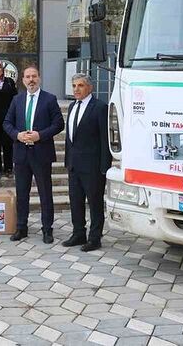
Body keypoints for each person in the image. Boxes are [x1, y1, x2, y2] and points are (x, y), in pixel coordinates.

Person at [3, 66, 64, 244]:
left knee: (45, 193)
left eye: (34, 76)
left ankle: (47, 229)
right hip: (21, 154)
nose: (31, 80)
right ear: (22, 80)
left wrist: (40, 135)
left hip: (41, 153)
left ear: (39, 78)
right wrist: (17, 135)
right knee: (22, 193)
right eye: (28, 77)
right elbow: (7, 122)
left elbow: (59, 124)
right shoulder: (17, 99)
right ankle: (22, 228)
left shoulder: (50, 99)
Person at [62, 73, 112, 253]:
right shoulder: (73, 106)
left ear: (89, 87)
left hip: (93, 166)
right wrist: (68, 161)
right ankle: (78, 233)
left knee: (95, 203)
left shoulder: (99, 107)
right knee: (75, 201)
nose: (76, 89)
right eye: (74, 86)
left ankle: (95, 238)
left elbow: (105, 139)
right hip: (74, 165)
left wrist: (104, 166)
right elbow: (70, 138)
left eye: (80, 86)